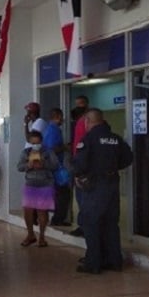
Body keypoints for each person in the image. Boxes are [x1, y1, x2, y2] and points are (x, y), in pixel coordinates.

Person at [72, 108, 133, 274]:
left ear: (88, 121)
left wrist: (78, 175)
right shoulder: (115, 138)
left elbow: (80, 164)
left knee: (91, 223)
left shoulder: (88, 139)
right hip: (112, 184)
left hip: (94, 185)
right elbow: (128, 158)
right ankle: (114, 261)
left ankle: (93, 263)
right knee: (111, 223)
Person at [17, 118, 58, 247]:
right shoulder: (25, 153)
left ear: (41, 141)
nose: (36, 145)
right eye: (33, 143)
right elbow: (19, 167)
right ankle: (30, 234)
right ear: (29, 142)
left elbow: (55, 165)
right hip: (30, 184)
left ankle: (42, 237)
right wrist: (28, 165)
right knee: (28, 210)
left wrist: (44, 164)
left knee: (42, 211)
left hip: (45, 184)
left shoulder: (48, 152)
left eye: (38, 142)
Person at [43, 108, 71, 226]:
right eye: (61, 117)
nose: (62, 120)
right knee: (63, 194)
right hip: (55, 168)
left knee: (59, 193)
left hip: (53, 167)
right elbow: (52, 149)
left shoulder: (51, 129)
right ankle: (58, 219)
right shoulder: (53, 130)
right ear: (57, 116)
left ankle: (57, 217)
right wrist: (65, 147)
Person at [69, 95, 89, 237]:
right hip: (80, 164)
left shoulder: (84, 125)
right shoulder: (78, 124)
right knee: (82, 198)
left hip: (84, 166)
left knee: (83, 198)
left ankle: (85, 226)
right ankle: (83, 225)